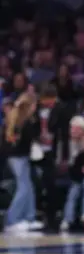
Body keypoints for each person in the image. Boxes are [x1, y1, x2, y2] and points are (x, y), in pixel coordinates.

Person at [3, 92, 43, 234]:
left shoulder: (16, 118)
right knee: (23, 187)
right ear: (30, 105)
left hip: (19, 157)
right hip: (18, 157)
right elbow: (32, 137)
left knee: (28, 186)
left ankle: (29, 218)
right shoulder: (23, 121)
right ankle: (12, 220)